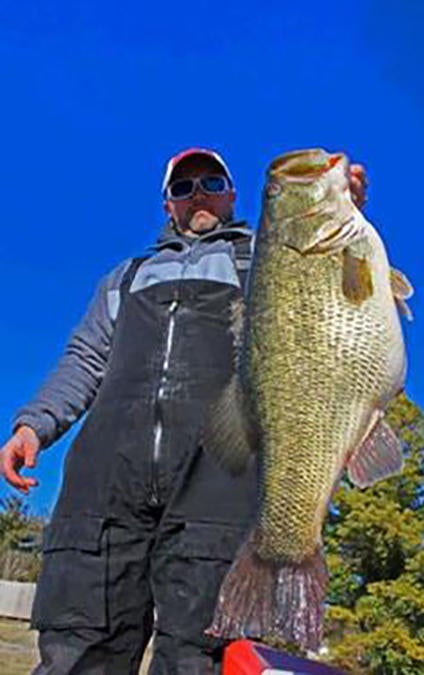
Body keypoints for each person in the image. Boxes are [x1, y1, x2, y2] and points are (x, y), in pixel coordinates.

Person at [0, 148, 369, 674]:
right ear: (167, 204)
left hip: (218, 477)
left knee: (197, 654)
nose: (198, 195)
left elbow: (329, 292)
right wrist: (33, 425)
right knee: (78, 646)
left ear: (232, 194)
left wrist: (340, 207)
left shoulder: (268, 259)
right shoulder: (125, 278)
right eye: (183, 187)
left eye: (211, 182)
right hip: (105, 486)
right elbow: (83, 359)